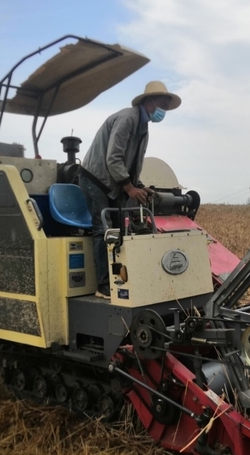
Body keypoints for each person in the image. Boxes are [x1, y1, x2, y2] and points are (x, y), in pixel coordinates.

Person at [78, 80, 182, 298]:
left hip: (112, 182)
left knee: (120, 232)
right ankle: (102, 286)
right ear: (150, 101)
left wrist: (139, 187)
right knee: (102, 229)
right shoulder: (127, 119)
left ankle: (120, 280)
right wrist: (128, 187)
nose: (163, 110)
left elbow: (133, 162)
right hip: (95, 179)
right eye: (162, 104)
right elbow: (113, 158)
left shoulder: (143, 127)